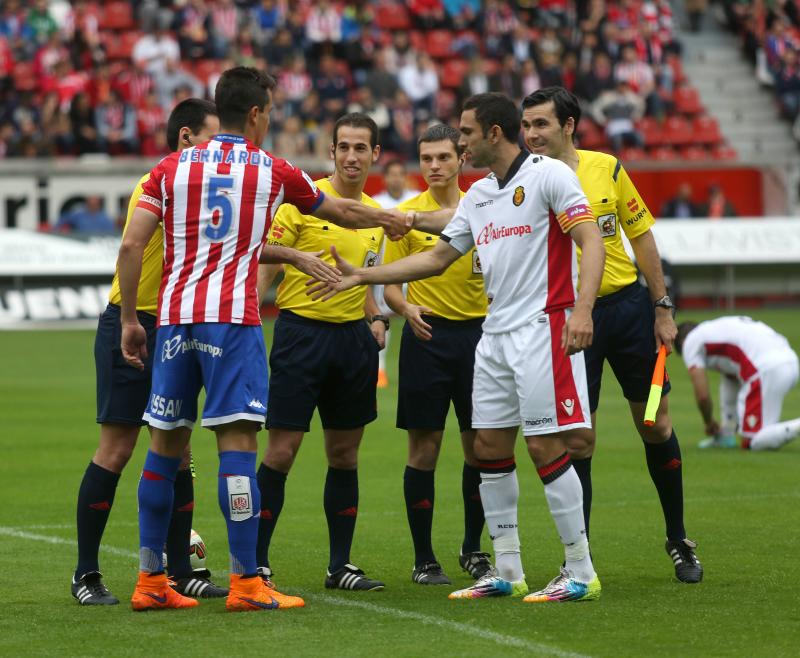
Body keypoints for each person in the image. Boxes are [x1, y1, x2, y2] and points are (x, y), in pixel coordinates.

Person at [117, 68, 409, 613]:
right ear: (255, 114)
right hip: (232, 322)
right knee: (238, 449)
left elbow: (133, 245)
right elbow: (340, 209)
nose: (271, 118)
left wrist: (133, 320)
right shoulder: (271, 170)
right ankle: (247, 583)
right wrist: (392, 219)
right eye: (270, 111)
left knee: (162, 451)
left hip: (176, 321)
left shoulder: (169, 168)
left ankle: (150, 581)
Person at [310, 92, 607, 603]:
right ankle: (508, 570)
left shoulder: (550, 175)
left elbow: (591, 241)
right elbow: (437, 258)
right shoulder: (480, 195)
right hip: (493, 338)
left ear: (493, 132)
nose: (460, 142)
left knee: (543, 446)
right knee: (489, 448)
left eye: (465, 133)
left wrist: (582, 311)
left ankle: (580, 569)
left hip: (543, 328)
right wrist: (363, 276)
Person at [520, 86, 703, 584]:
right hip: (567, 323)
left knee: (654, 423)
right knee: (580, 439)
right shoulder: (521, 182)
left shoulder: (608, 169)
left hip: (625, 313)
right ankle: (579, 556)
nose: (532, 134)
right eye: (526, 125)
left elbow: (641, 235)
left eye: (541, 124)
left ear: (569, 126)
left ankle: (678, 538)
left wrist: (661, 308)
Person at [71, 98, 226, 607]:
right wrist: (133, 319)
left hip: (175, 327)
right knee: (117, 448)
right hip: (132, 320)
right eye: (211, 138)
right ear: (185, 139)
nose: (220, 150)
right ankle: (86, 575)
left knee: (179, 452)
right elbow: (130, 249)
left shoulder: (198, 191)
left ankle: (179, 571)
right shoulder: (156, 183)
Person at [255, 113, 389, 592]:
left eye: (361, 148)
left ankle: (340, 566)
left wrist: (375, 317)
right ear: (331, 152)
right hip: (300, 337)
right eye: (344, 147)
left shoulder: (376, 218)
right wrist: (249, 318)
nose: (352, 156)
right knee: (282, 451)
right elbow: (266, 266)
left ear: (375, 154)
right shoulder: (301, 203)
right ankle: (255, 564)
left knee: (345, 455)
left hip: (352, 342)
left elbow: (367, 276)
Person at [382, 124, 491, 586]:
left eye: (443, 157)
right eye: (426, 158)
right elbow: (389, 285)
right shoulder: (406, 216)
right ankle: (424, 557)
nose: (434, 166)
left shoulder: (485, 208)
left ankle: (473, 547)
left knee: (481, 449)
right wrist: (406, 306)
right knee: (423, 449)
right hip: (426, 339)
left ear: (461, 159)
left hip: (481, 339)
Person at [676, 317, 800, 451]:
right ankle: (726, 435)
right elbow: (731, 378)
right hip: (790, 361)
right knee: (730, 377)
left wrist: (709, 422)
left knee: (751, 441)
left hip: (766, 369)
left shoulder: (690, 341)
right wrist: (727, 428)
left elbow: (703, 396)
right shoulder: (714, 329)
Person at [372, 159, 418, 387]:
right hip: (387, 268)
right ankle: (379, 368)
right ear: (385, 177)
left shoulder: (417, 199)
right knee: (382, 317)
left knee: (420, 315)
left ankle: (419, 369)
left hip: (417, 268)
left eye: (400, 173)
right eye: (392, 174)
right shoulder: (376, 203)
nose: (396, 178)